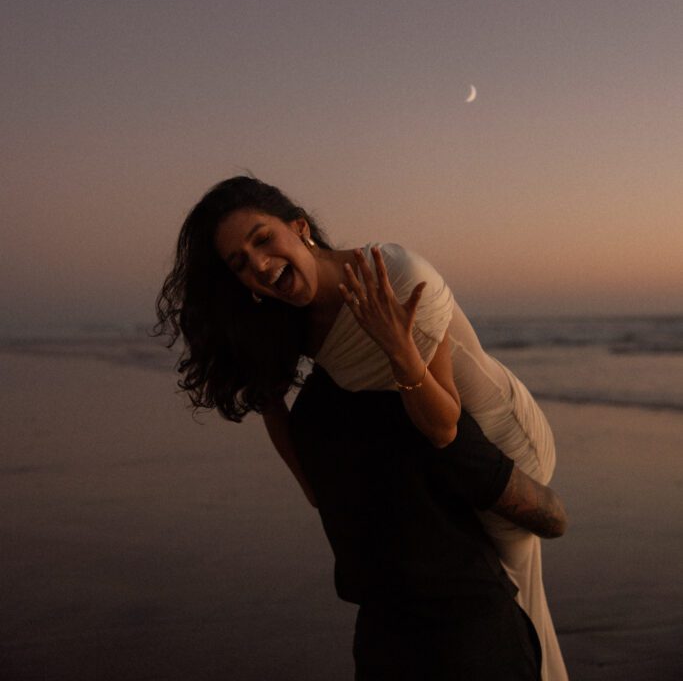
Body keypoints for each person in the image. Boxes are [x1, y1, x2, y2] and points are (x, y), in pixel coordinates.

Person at [155, 176, 569, 680]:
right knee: (490, 591)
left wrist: (399, 350)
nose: (259, 264)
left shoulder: (392, 276)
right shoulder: (294, 319)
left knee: (501, 594)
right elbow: (316, 484)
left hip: (492, 436)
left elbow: (444, 429)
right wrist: (269, 400)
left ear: (300, 228)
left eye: (263, 239)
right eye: (240, 263)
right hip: (436, 457)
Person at [289, 363, 565, 679]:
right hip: (472, 638)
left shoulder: (306, 414)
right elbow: (550, 518)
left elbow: (315, 494)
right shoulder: (419, 412)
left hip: (380, 642)